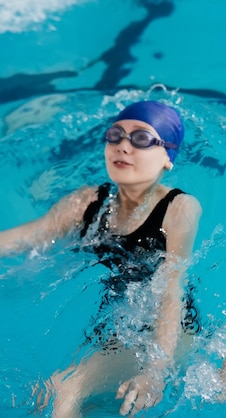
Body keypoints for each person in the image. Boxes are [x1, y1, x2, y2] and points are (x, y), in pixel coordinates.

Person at [0, 101, 202, 417]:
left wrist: (156, 370)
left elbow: (172, 291)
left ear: (167, 157)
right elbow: (30, 236)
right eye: (115, 135)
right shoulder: (87, 202)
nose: (123, 146)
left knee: (63, 389)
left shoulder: (179, 209)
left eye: (141, 139)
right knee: (49, 400)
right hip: (119, 330)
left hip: (168, 336)